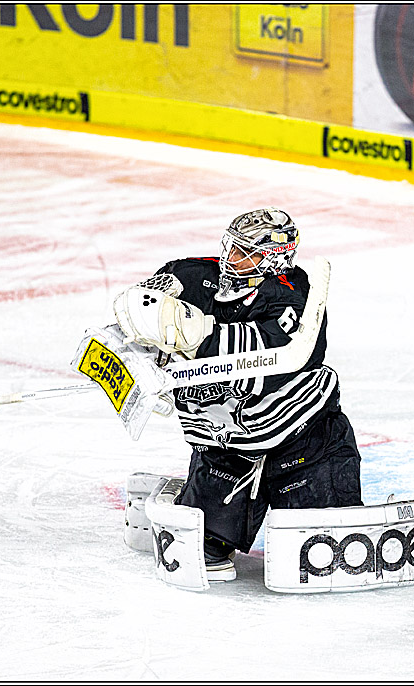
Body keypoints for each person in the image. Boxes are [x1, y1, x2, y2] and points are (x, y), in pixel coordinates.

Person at [116, 207, 363, 581]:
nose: (230, 261)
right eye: (230, 248)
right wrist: (137, 331)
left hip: (301, 442)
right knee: (203, 550)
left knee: (323, 551)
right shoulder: (192, 276)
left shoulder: (295, 299)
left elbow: (265, 362)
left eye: (244, 253)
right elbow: (138, 308)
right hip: (227, 444)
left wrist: (196, 335)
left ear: (274, 259)